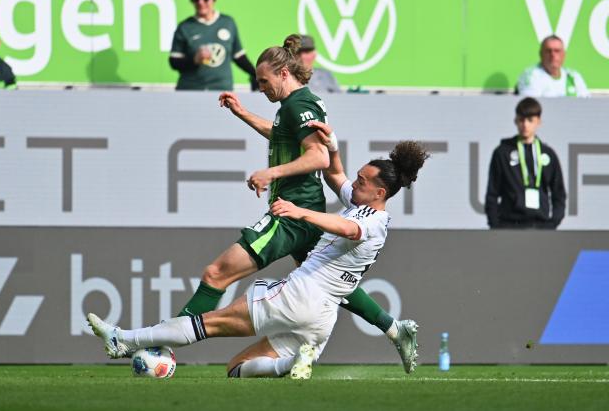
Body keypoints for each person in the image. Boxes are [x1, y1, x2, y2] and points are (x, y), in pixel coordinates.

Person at [87, 141, 429, 378]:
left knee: (207, 323)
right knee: (237, 368)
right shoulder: (363, 203)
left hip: (298, 297)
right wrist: (333, 147)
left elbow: (347, 228)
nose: (353, 183)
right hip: (320, 320)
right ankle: (292, 362)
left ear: (379, 192)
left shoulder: (371, 220)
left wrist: (301, 211)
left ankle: (123, 340)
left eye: (362, 180)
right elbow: (336, 176)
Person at [178, 34, 404, 359]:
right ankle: (394, 328)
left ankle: (164, 346)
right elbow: (282, 133)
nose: (260, 88)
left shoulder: (299, 104)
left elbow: (319, 158)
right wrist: (242, 113)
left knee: (217, 273)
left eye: (263, 80)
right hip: (304, 211)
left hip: (291, 214)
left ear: (284, 73)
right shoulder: (292, 106)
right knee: (333, 280)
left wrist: (270, 173)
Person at [485, 97, 566, 229]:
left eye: (530, 120)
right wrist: (495, 226)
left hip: (540, 225)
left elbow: (559, 193)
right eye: (521, 120)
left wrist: (552, 223)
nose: (525, 125)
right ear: (515, 120)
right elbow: (492, 193)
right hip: (509, 224)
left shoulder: (548, 154)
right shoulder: (503, 152)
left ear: (538, 122)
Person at [169, 0, 257, 91]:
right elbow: (174, 61)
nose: (201, 2)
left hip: (222, 90)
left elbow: (239, 57)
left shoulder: (227, 22)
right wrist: (194, 60)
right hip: (191, 89)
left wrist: (257, 75)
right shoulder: (185, 27)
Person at [517, 35, 589, 97]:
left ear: (564, 54)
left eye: (557, 51)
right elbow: (530, 108)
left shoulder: (574, 76)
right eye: (548, 51)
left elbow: (586, 104)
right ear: (541, 54)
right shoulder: (531, 75)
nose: (553, 55)